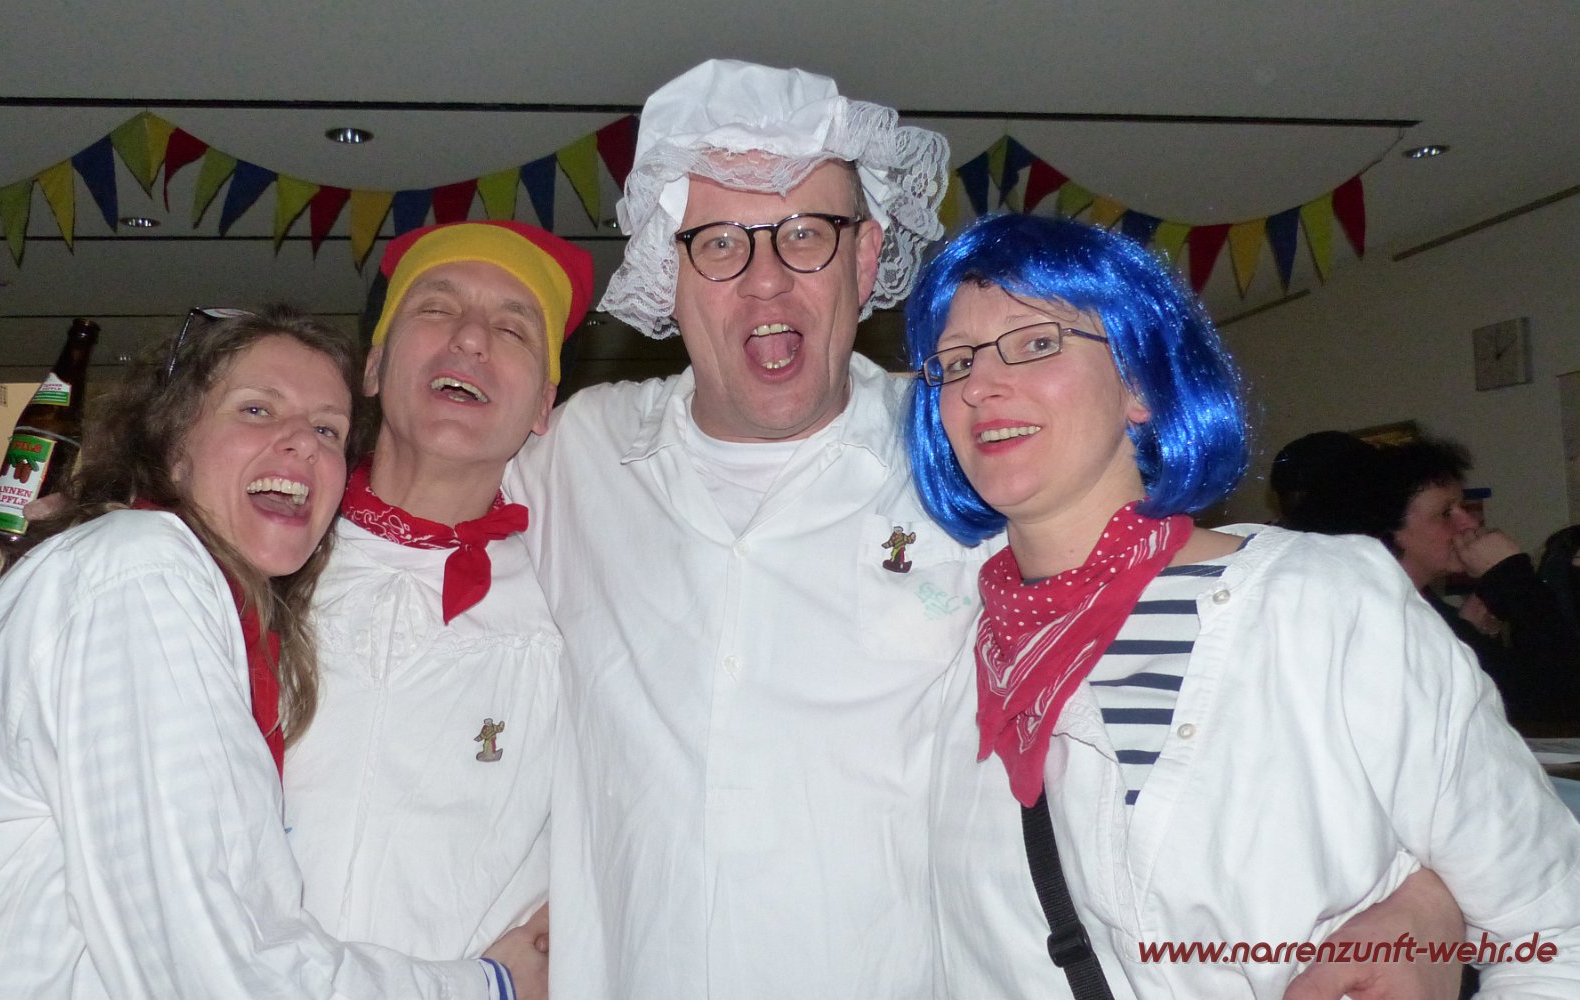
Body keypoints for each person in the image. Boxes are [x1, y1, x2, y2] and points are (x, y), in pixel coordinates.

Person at [506, 59, 1462, 999]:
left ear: (865, 259)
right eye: (719, 242)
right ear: (665, 273)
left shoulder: (971, 456)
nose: (766, 282)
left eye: (805, 234)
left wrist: (1428, 898)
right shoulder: (575, 456)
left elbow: (1221, 650)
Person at [903, 214, 1580, 997]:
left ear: (1138, 383)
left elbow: (1554, 932)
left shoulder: (1321, 604)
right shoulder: (940, 657)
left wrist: (1429, 909)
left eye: (1035, 343)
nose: (979, 385)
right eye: (956, 362)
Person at [0, 308, 530, 998]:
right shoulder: (143, 571)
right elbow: (206, 959)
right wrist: (492, 985)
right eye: (257, 409)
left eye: (328, 429)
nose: (303, 443)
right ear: (172, 444)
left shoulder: (194, 600)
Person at [281, 220, 591, 986]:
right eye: (436, 308)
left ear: (543, 405)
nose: (471, 339)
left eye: (512, 329)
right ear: (374, 365)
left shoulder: (575, 610)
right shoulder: (252, 564)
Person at [1336, 436, 1580, 727]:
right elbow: (1560, 701)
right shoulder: (1380, 617)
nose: (1470, 523)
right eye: (1445, 513)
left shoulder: (1422, 608)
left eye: (1462, 507)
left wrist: (1468, 631)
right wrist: (1511, 577)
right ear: (1390, 528)